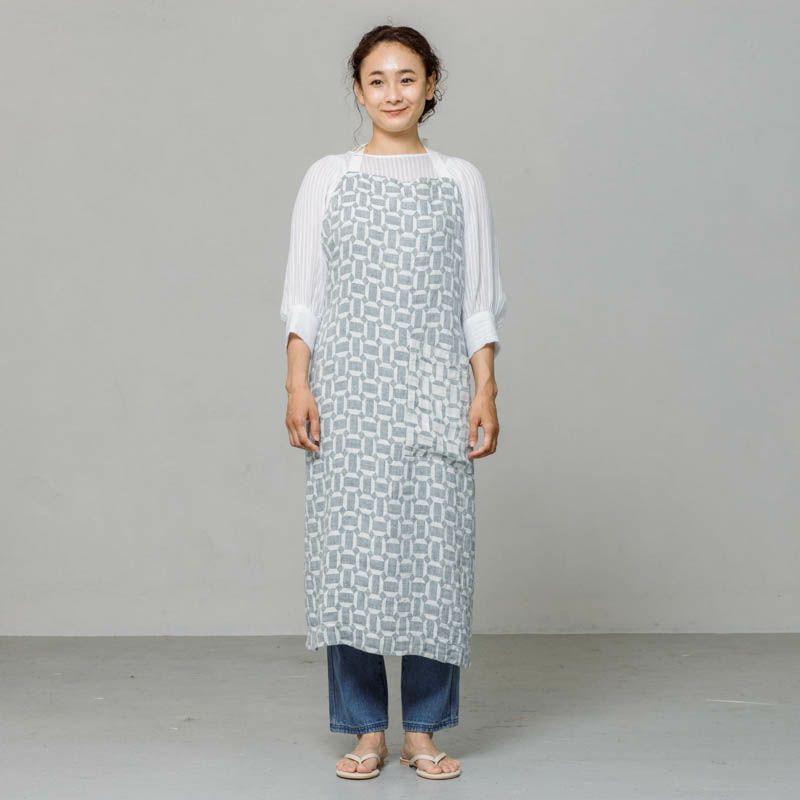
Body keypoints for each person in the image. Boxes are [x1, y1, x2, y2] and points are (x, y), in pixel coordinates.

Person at [280, 24, 507, 781]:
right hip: (349, 393)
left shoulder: (459, 179)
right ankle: (365, 729)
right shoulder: (328, 178)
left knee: (435, 561)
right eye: (377, 80)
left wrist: (484, 388)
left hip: (435, 390)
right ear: (358, 90)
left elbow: (479, 300)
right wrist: (297, 383)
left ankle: (425, 731)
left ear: (431, 84)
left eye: (407, 78)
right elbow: (304, 296)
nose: (392, 93)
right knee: (351, 561)